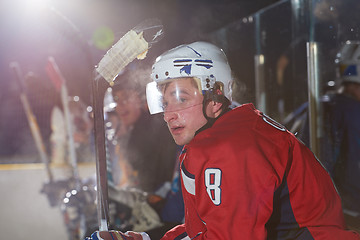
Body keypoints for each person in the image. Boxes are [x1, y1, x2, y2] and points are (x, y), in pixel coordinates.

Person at [88, 42, 360, 239]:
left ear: (215, 95)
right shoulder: (228, 132)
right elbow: (205, 229)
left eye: (182, 98)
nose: (169, 114)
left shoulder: (231, 148)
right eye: (165, 100)